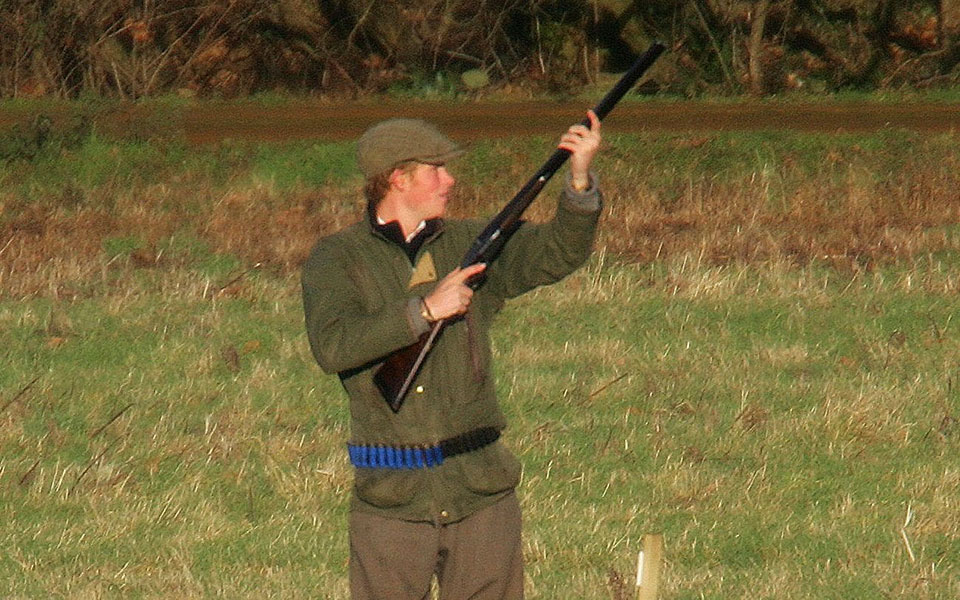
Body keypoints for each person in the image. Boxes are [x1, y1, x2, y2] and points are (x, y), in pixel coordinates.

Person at [301, 110, 603, 600]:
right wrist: (423, 311)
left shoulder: (470, 243)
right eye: (436, 169)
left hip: (481, 491)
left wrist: (580, 180)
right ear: (398, 178)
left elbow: (555, 253)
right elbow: (333, 345)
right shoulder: (337, 259)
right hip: (392, 500)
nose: (451, 179)